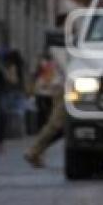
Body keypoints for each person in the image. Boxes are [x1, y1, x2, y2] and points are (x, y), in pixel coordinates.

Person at [24, 18, 67, 168]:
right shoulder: (59, 45)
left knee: (61, 126)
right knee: (56, 124)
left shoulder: (61, 45)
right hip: (60, 87)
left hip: (59, 87)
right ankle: (34, 150)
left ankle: (36, 151)